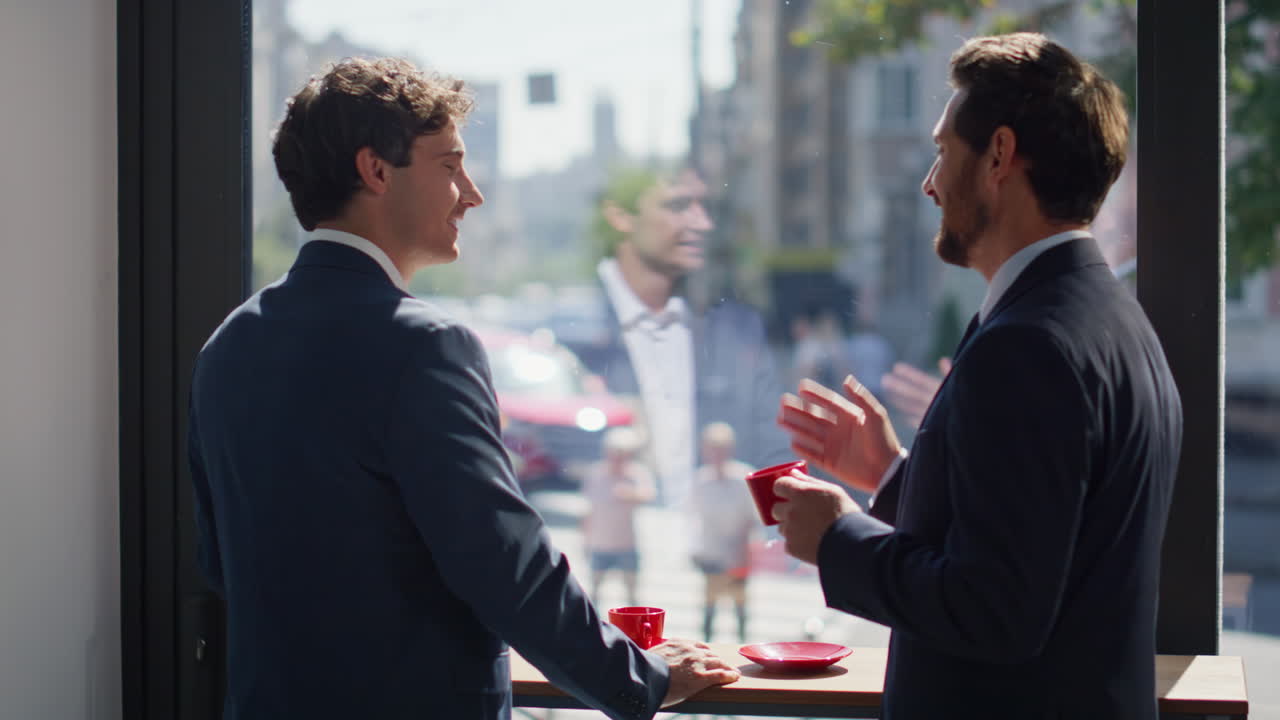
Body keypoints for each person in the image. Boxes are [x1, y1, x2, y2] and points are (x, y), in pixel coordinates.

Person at [187, 57, 738, 720]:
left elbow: (221, 564)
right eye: (450, 166)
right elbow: (506, 566)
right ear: (376, 170)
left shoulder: (228, 345)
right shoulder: (423, 346)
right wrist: (642, 677)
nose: (471, 193)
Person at [773, 33, 1182, 720]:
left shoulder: (1026, 347)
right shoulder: (1114, 320)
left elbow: (996, 612)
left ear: (998, 155)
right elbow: (1045, 544)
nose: (930, 184)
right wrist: (897, 478)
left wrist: (837, 538)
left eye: (941, 151)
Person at [583, 163, 791, 508]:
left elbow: (772, 442)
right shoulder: (576, 330)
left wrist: (779, 529)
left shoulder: (735, 332)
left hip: (711, 544)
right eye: (678, 206)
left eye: (703, 209)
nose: (701, 224)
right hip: (615, 542)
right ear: (622, 218)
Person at [688, 422, 758, 643]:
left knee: (739, 604)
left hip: (737, 552)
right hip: (711, 551)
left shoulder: (742, 479)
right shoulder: (700, 480)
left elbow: (751, 517)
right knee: (710, 605)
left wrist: (743, 549)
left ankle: (741, 643)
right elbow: (692, 518)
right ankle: (707, 645)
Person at [582, 426, 655, 607]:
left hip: (626, 543)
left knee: (631, 593)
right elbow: (588, 509)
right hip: (600, 543)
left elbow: (648, 495)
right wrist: (585, 539)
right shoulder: (596, 474)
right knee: (595, 591)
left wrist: (629, 494)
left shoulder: (636, 474)